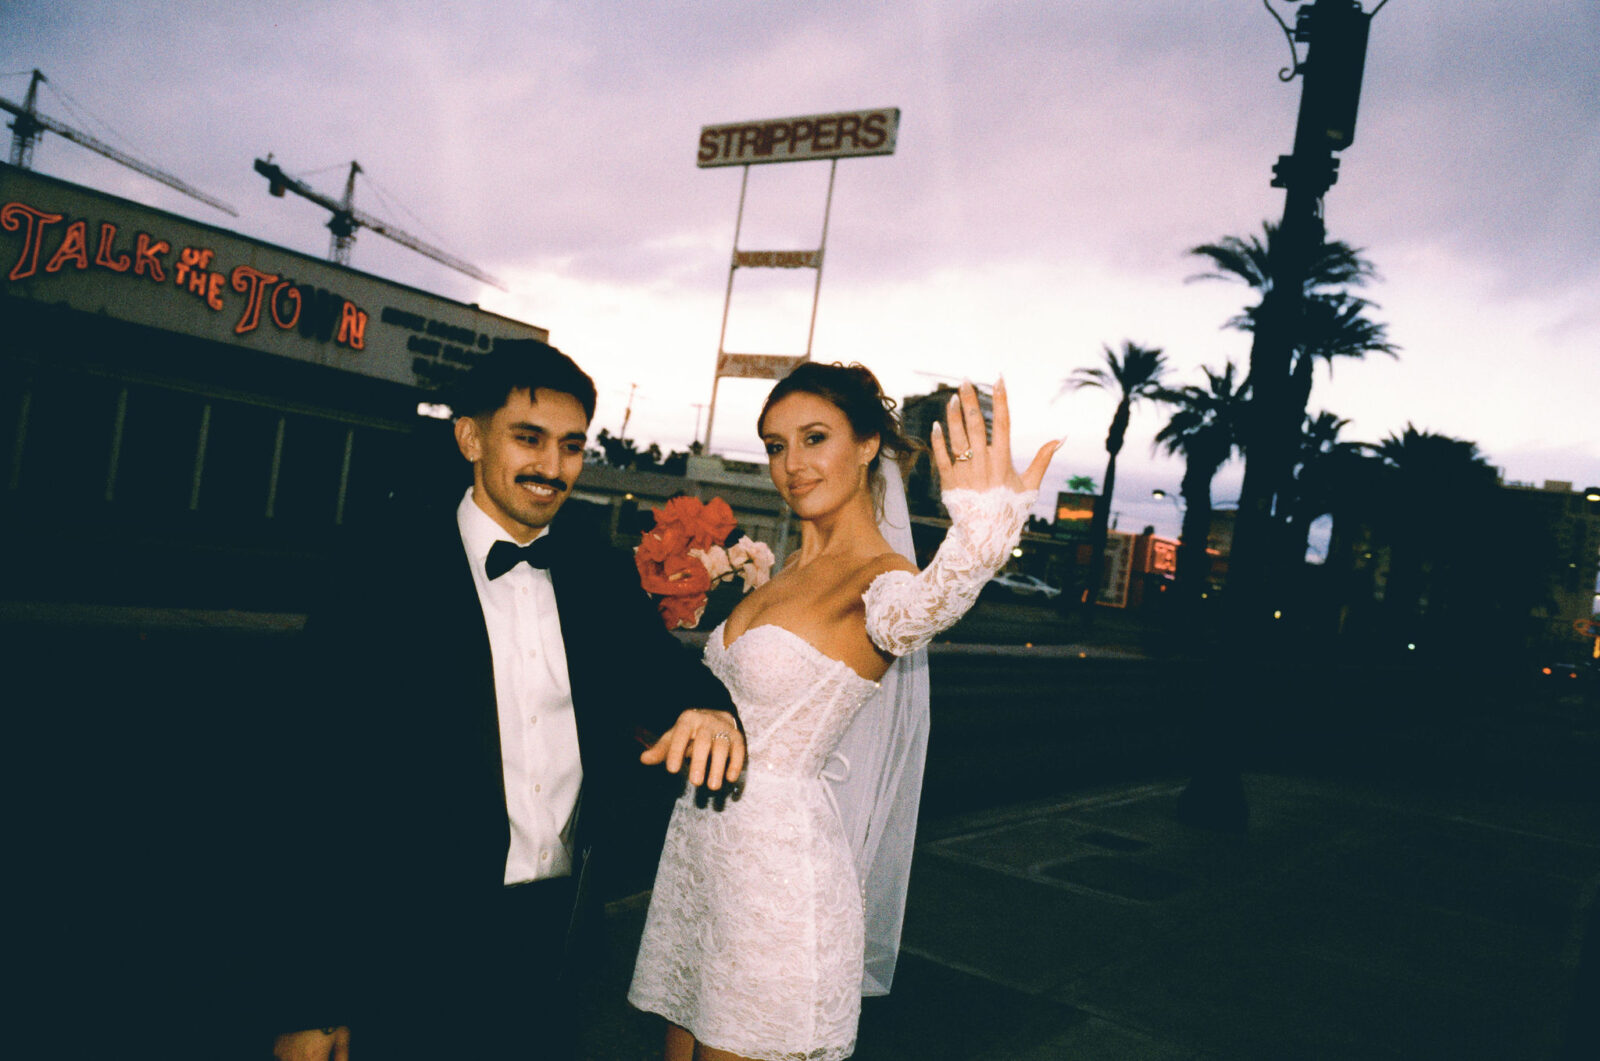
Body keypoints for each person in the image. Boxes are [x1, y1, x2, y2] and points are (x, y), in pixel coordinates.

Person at [266, 339, 746, 1061]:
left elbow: (666, 674)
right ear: (470, 436)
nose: (552, 467)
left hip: (554, 942)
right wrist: (313, 995)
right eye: (528, 438)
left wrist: (710, 708)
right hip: (407, 943)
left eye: (572, 445)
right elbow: (312, 785)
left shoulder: (595, 569)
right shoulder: (381, 566)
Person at [628, 363, 1059, 1060]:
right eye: (775, 445)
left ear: (867, 446)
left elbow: (926, 606)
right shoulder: (780, 571)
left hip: (779, 891)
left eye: (814, 437)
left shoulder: (881, 581)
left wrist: (980, 537)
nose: (792, 464)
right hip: (700, 870)